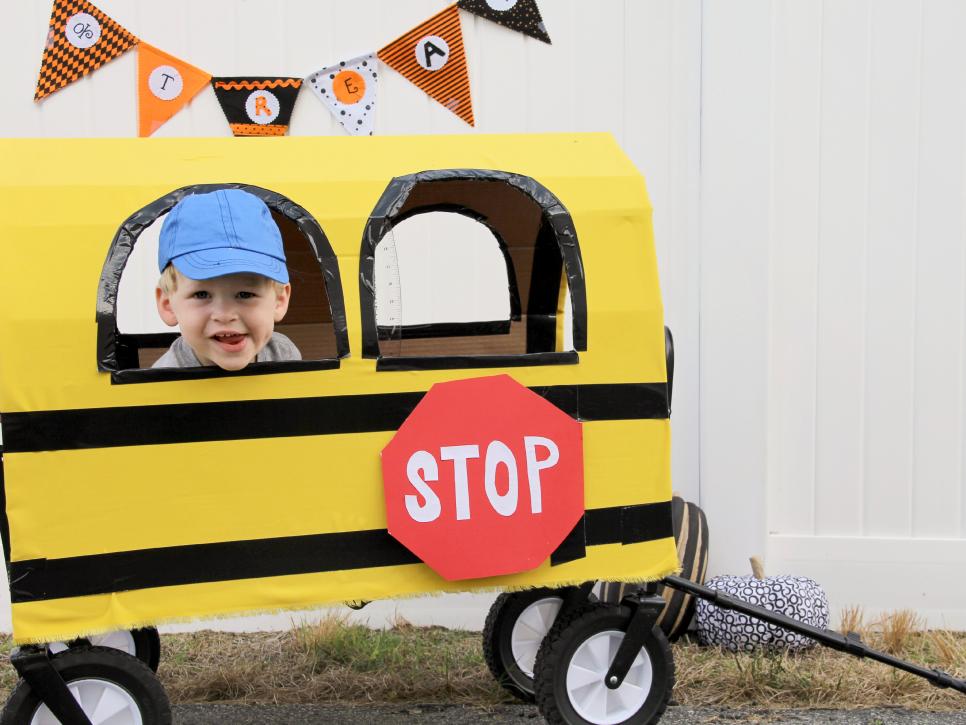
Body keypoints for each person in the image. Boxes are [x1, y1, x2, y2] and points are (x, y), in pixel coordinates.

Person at [152, 188, 301, 369]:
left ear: (279, 300)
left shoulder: (284, 355)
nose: (225, 315)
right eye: (201, 294)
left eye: (245, 294)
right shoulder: (163, 384)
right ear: (167, 304)